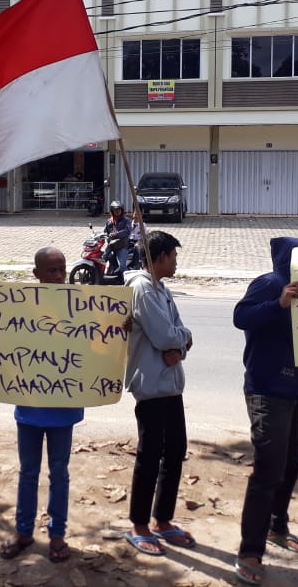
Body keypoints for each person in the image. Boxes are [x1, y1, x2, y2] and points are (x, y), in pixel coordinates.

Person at [0, 247, 96, 563]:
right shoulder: (20, 307)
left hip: (64, 409)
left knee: (60, 473)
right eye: (51, 270)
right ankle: (23, 533)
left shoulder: (79, 305)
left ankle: (57, 535)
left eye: (62, 269)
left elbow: (98, 342)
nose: (58, 275)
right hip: (29, 408)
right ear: (36, 274)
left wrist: (118, 329)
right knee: (28, 472)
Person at [232, 236, 298, 585]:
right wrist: (278, 304)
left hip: (293, 389)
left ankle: (278, 527)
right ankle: (250, 551)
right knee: (267, 471)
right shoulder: (270, 283)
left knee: (290, 465)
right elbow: (241, 316)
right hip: (266, 390)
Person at [123, 230, 195, 556]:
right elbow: (166, 336)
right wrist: (178, 342)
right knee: (150, 453)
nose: (177, 262)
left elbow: (182, 335)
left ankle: (162, 519)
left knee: (175, 449)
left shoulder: (161, 290)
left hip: (171, 384)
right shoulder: (141, 288)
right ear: (161, 256)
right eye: (174, 256)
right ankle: (138, 523)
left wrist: (180, 345)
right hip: (150, 385)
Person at [104, 200, 132, 276]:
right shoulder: (109, 221)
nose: (117, 211)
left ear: (122, 210)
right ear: (112, 211)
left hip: (122, 246)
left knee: (122, 266)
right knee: (102, 259)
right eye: (115, 210)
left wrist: (116, 234)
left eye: (118, 210)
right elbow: (105, 231)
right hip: (112, 245)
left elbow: (127, 231)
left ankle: (126, 281)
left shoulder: (126, 220)